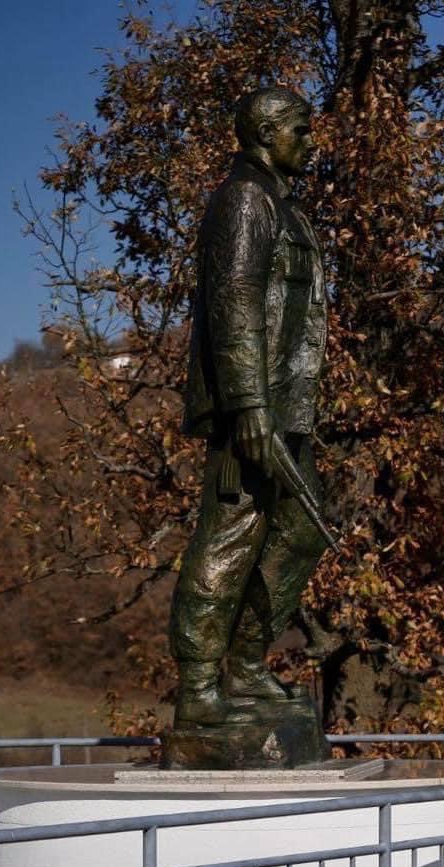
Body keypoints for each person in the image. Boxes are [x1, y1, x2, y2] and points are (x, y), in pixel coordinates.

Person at [168, 87, 329, 728]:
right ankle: (198, 685)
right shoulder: (245, 200)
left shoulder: (284, 206)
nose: (310, 141)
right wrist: (247, 405)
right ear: (266, 134)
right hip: (254, 412)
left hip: (285, 407)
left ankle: (245, 665)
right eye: (300, 129)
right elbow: (234, 300)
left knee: (302, 532)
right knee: (229, 538)